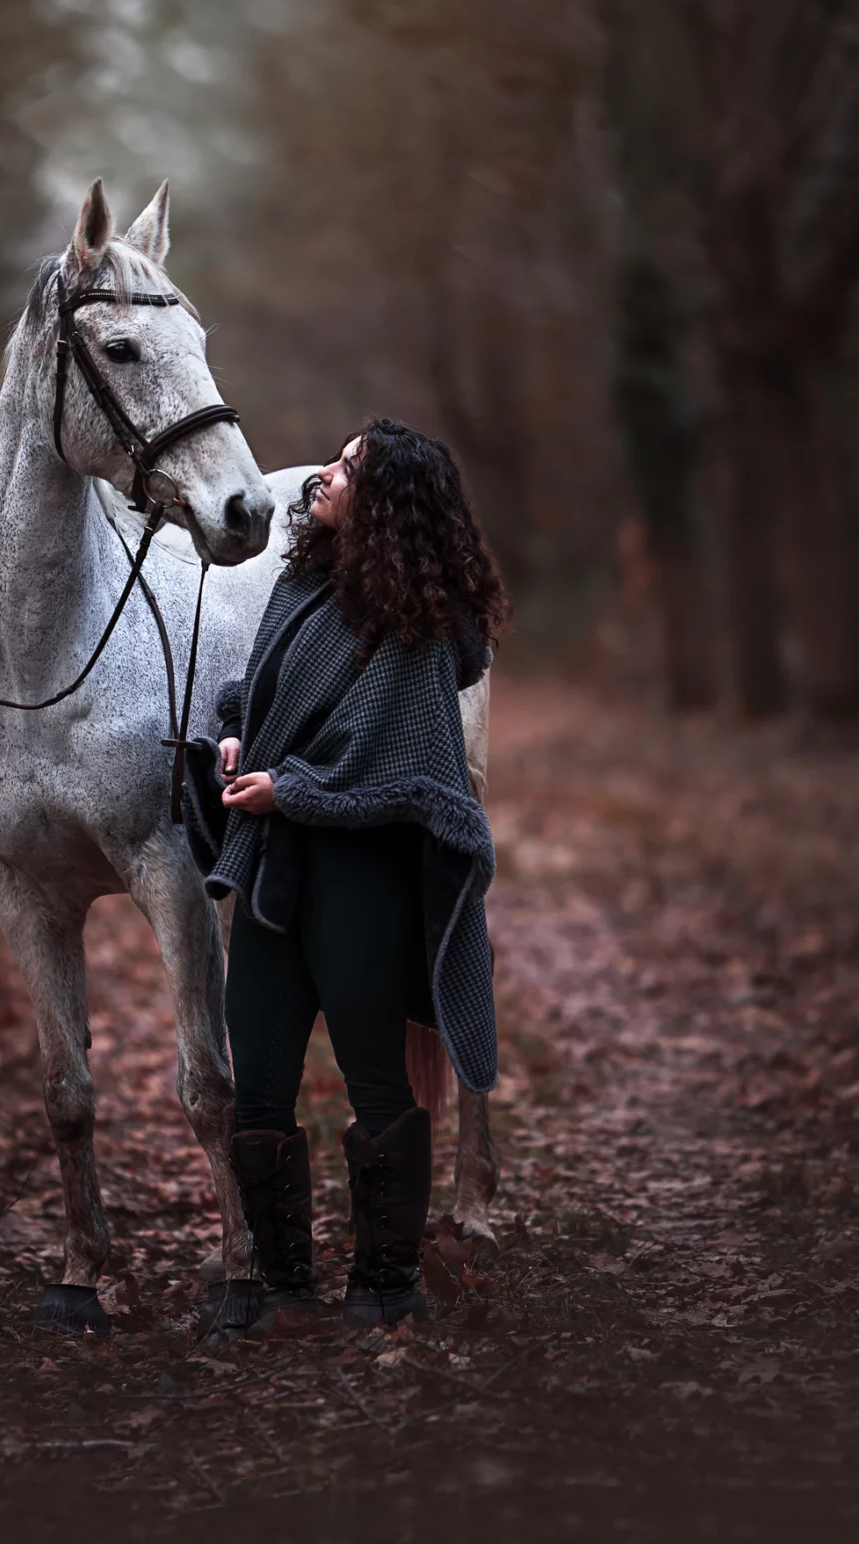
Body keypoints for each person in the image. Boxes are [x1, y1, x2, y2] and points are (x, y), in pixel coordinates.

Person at [181, 418, 509, 1334]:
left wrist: (292, 787)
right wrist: (247, 737)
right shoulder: (304, 582)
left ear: (391, 502)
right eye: (334, 459)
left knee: (374, 1080)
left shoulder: (421, 626)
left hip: (358, 875)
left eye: (348, 469)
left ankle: (383, 1289)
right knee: (260, 1080)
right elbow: (267, 689)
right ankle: (284, 1294)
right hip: (275, 866)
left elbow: (401, 762)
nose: (322, 474)